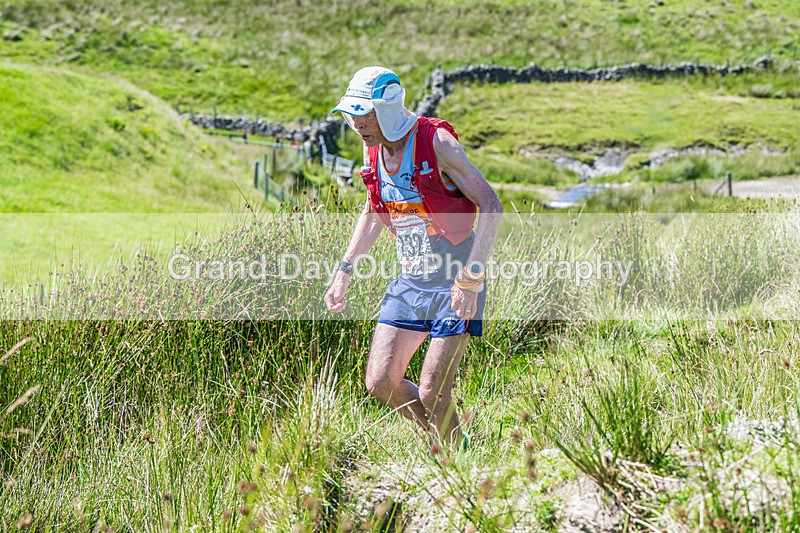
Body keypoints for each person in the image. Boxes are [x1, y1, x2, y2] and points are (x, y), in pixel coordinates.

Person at [324, 66, 503, 448]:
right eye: (351, 115)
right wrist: (345, 268)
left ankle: (454, 461)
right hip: (411, 279)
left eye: (363, 114)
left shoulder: (436, 142)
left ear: (387, 107)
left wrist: (471, 277)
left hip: (456, 275)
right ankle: (454, 444)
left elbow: (490, 204)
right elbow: (375, 210)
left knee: (431, 392)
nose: (357, 124)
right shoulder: (371, 145)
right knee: (380, 381)